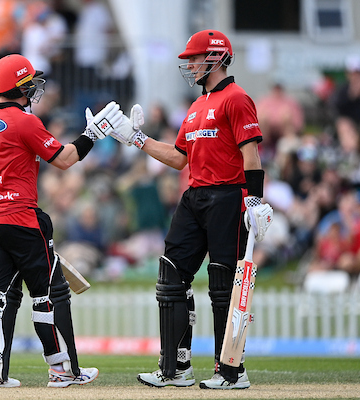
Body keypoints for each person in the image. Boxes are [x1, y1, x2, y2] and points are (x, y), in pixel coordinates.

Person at [109, 30, 273, 390]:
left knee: (223, 284)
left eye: (195, 59)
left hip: (228, 196)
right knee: (171, 275)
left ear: (215, 58)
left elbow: (251, 154)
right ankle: (175, 368)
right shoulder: (197, 106)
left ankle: (231, 371)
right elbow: (178, 157)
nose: (191, 65)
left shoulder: (236, 98)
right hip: (195, 195)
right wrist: (136, 139)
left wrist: (254, 200)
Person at [0, 54, 123, 388]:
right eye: (30, 83)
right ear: (20, 87)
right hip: (22, 219)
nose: (34, 89)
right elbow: (64, 160)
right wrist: (93, 134)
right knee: (47, 295)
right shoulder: (25, 122)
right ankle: (62, 370)